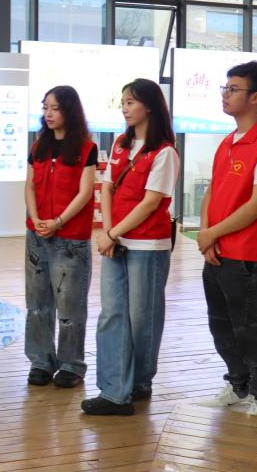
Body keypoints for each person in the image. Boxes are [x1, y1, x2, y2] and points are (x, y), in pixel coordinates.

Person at [197, 62, 257, 416]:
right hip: (218, 250)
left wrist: (212, 233)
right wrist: (207, 235)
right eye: (225, 87)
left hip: (250, 253)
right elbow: (212, 192)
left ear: (256, 97)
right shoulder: (228, 142)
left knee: (253, 327)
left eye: (233, 89)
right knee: (221, 324)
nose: (225, 94)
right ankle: (239, 385)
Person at [82, 78, 179, 417]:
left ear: (149, 106)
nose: (124, 108)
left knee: (142, 319)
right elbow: (108, 188)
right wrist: (110, 232)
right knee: (112, 315)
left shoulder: (165, 152)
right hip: (117, 241)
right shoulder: (121, 144)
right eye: (123, 102)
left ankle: (139, 381)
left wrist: (112, 233)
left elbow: (151, 203)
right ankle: (113, 391)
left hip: (148, 245)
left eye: (131, 102)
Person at [23, 86, 96, 389]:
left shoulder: (86, 148)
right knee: (37, 304)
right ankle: (40, 361)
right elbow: (30, 185)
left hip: (70, 237)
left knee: (69, 307)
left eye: (55, 108)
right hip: (37, 235)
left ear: (70, 110)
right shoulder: (38, 145)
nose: (48, 114)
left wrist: (59, 221)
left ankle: (71, 365)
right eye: (45, 108)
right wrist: (36, 218)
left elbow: (85, 192)